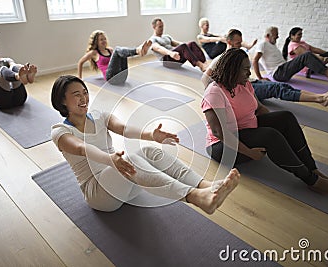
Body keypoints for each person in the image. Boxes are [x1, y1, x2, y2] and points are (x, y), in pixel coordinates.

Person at [50, 75, 239, 214]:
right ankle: (195, 197)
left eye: (85, 92)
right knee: (130, 159)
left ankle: (205, 185)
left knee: (148, 151)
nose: (83, 98)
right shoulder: (60, 131)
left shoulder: (100, 116)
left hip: (126, 182)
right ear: (62, 101)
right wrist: (110, 160)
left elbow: (123, 128)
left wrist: (151, 135)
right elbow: (82, 148)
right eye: (76, 95)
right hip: (100, 194)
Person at [202, 48, 328, 195]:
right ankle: (312, 180)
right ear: (232, 70)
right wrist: (251, 153)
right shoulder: (214, 92)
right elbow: (219, 133)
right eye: (245, 69)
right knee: (270, 136)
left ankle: (312, 168)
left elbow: (259, 108)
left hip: (245, 130)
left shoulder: (244, 84)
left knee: (286, 117)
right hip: (222, 147)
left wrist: (281, 128)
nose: (249, 73)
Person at [202, 29, 328, 107]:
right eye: (237, 43)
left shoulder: (236, 54)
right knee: (278, 89)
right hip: (243, 90)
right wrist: (223, 96)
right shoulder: (222, 58)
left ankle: (321, 97)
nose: (240, 45)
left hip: (251, 84)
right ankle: (320, 99)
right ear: (229, 42)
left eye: (240, 42)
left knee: (281, 85)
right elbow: (205, 79)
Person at [252, 26, 328, 82]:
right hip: (278, 73)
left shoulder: (272, 45)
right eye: (275, 35)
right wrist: (260, 78)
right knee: (306, 55)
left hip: (283, 70)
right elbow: (255, 60)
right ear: (268, 36)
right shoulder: (262, 44)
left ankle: (323, 70)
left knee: (307, 56)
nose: (278, 37)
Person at [77, 30, 152, 85]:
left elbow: (118, 60)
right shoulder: (94, 53)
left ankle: (139, 51)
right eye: (101, 39)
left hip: (122, 77)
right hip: (111, 78)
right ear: (96, 42)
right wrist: (80, 78)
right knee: (117, 50)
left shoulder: (109, 50)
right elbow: (80, 62)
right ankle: (137, 50)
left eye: (104, 39)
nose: (104, 41)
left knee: (121, 53)